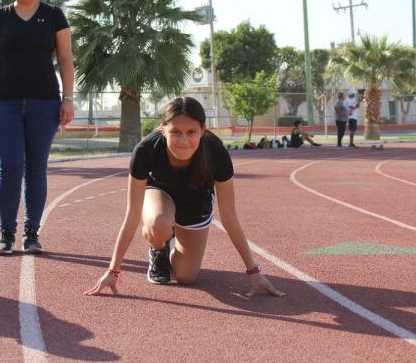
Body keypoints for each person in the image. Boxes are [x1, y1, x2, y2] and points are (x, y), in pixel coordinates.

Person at [85, 97, 284, 297]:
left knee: (186, 277)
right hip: (159, 195)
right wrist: (113, 270)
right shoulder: (145, 150)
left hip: (196, 204)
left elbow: (229, 217)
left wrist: (253, 271)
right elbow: (133, 213)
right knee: (158, 223)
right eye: (175, 132)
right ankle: (158, 249)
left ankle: (172, 247)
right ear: (163, 129)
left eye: (191, 132)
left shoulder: (217, 153)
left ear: (203, 131)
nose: (183, 141)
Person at [0, 0, 75, 255]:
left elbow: (66, 60)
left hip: (44, 103)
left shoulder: (55, 16)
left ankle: (32, 233)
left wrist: (68, 98)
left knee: (36, 169)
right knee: (9, 168)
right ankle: (6, 234)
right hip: (4, 103)